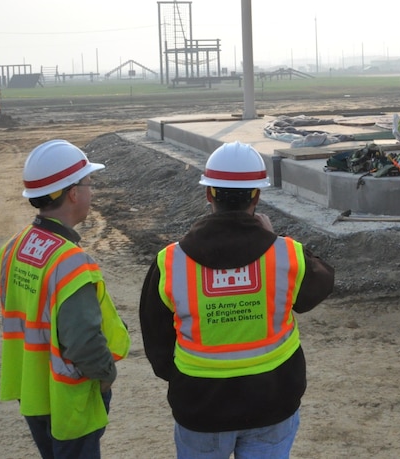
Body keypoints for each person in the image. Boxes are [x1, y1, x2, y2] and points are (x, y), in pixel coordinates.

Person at [140, 141, 335, 459]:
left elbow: (156, 342)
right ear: (257, 196)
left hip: (200, 408)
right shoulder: (286, 256)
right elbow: (321, 284)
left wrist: (183, 380)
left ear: (208, 194)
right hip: (272, 403)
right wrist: (274, 239)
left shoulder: (170, 262)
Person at [0, 139, 130, 458]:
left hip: (33, 392)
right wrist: (106, 375)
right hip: (68, 397)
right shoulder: (69, 262)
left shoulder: (13, 248)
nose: (91, 192)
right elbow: (83, 340)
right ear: (72, 193)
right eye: (88, 183)